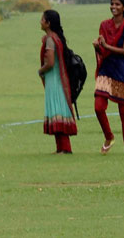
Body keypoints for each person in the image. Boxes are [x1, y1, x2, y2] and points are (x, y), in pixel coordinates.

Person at [93, 0, 124, 156]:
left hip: (121, 70)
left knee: (123, 111)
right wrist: (98, 46)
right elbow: (103, 50)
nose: (114, 7)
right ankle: (109, 136)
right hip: (106, 69)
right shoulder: (104, 25)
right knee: (98, 107)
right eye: (112, 3)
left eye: (117, 4)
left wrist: (105, 46)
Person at [38, 10, 77, 154]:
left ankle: (65, 147)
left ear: (48, 23)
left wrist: (40, 70)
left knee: (56, 109)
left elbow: (50, 63)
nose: (40, 21)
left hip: (53, 79)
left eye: (42, 19)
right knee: (58, 109)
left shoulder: (50, 39)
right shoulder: (56, 38)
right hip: (59, 78)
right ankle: (61, 147)